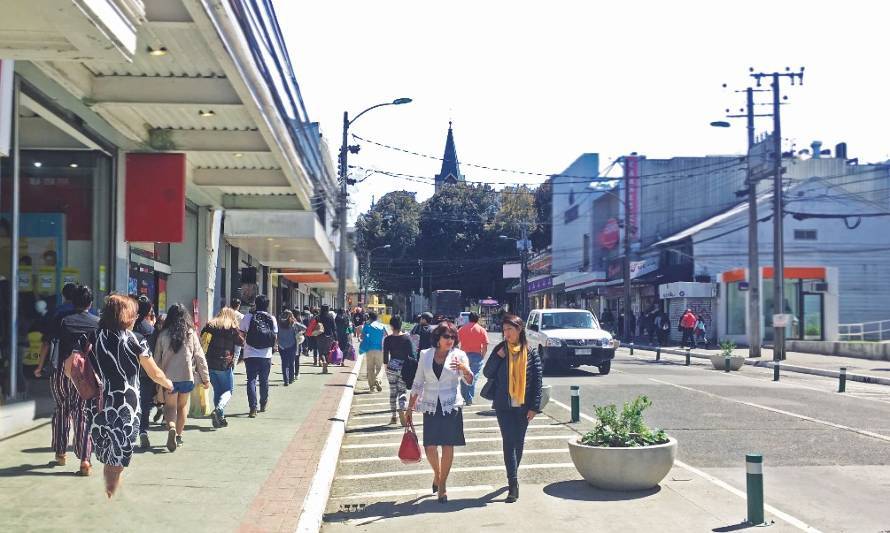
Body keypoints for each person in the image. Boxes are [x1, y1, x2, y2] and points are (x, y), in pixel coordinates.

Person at [89, 294, 173, 497]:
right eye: (134, 314)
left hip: (99, 402)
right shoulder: (135, 340)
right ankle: (111, 497)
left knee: (109, 455)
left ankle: (109, 492)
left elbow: (71, 367)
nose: (136, 318)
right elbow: (155, 373)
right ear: (126, 315)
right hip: (125, 405)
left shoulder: (93, 336)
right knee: (118, 457)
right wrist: (168, 383)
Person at [34, 284, 98, 476]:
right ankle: (85, 459)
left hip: (62, 370)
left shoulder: (61, 319)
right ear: (90, 302)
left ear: (71, 300)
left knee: (62, 409)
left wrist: (39, 366)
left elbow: (47, 343)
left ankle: (61, 453)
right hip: (85, 374)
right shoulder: (97, 322)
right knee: (82, 412)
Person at [407, 321, 472, 503]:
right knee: (430, 446)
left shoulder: (459, 355)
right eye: (446, 336)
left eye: (452, 337)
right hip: (430, 404)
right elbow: (418, 381)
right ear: (437, 338)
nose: (450, 340)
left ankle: (442, 484)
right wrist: (410, 407)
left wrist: (465, 370)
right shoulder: (425, 355)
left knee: (447, 446)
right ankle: (437, 474)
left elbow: (469, 380)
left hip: (450, 405)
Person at [483, 314, 543, 503]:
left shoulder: (531, 352)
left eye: (510, 329)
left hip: (523, 406)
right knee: (508, 442)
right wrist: (497, 358)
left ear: (519, 330)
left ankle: (513, 471)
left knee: (519, 442)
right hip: (504, 406)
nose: (506, 333)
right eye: (504, 330)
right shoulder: (501, 350)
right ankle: (513, 484)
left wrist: (534, 407)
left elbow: (537, 383)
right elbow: (487, 372)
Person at [153, 303, 210, 451]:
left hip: (168, 379)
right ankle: (178, 436)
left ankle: (171, 426)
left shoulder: (163, 334)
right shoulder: (191, 333)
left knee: (170, 407)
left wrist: (157, 381)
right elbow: (199, 357)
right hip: (186, 377)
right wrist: (206, 378)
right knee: (182, 406)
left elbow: (156, 360)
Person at [201, 307, 244, 428]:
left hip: (210, 362)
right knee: (228, 391)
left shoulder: (210, 325)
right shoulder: (231, 327)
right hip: (225, 363)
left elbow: (202, 338)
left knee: (218, 391)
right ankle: (219, 409)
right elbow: (241, 342)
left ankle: (220, 418)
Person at [239, 295, 278, 418]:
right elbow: (274, 337)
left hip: (250, 354)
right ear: (267, 305)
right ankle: (263, 403)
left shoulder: (248, 317)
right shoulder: (271, 318)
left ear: (255, 304)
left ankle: (253, 408)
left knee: (251, 380)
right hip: (266, 355)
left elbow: (241, 333)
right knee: (264, 380)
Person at [133, 295, 159, 449]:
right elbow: (154, 351)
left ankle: (130, 431)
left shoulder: (127, 327)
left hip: (129, 372)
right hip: (146, 372)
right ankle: (143, 430)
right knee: (144, 403)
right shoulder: (150, 330)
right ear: (149, 310)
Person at [383, 315, 413, 426]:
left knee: (392, 392)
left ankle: (393, 416)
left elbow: (385, 357)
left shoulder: (388, 339)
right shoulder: (406, 338)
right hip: (404, 367)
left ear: (391, 326)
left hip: (392, 366)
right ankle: (401, 409)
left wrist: (386, 369)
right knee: (402, 391)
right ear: (401, 325)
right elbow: (411, 355)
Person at [457, 311, 489, 406]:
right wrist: (482, 355)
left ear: (469, 318)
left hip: (464, 355)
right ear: (478, 319)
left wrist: (459, 352)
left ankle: (466, 396)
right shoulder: (481, 330)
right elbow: (485, 345)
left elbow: (455, 342)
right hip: (477, 356)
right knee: (473, 377)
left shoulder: (462, 329)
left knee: (464, 376)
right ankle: (469, 397)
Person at [359, 311, 387, 392]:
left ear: (369, 318)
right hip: (379, 349)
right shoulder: (382, 326)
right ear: (377, 318)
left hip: (369, 349)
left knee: (370, 368)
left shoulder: (367, 325)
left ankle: (372, 387)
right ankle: (378, 380)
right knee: (380, 367)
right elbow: (386, 336)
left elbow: (362, 336)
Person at [277, 309, 304, 385]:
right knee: (291, 362)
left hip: (281, 346)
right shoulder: (293, 323)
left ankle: (286, 380)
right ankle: (291, 378)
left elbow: (275, 333)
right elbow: (304, 328)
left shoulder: (279, 324)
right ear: (290, 316)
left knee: (284, 363)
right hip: (292, 345)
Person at [316, 304, 337, 374]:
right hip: (329, 336)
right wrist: (336, 338)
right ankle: (326, 363)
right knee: (327, 352)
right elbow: (334, 328)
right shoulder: (330, 317)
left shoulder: (318, 317)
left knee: (321, 352)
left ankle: (323, 361)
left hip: (319, 336)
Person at [230, 298, 245, 362]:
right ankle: (233, 368)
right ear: (238, 305)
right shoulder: (241, 316)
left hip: (226, 335)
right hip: (237, 335)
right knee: (236, 354)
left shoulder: (226, 313)